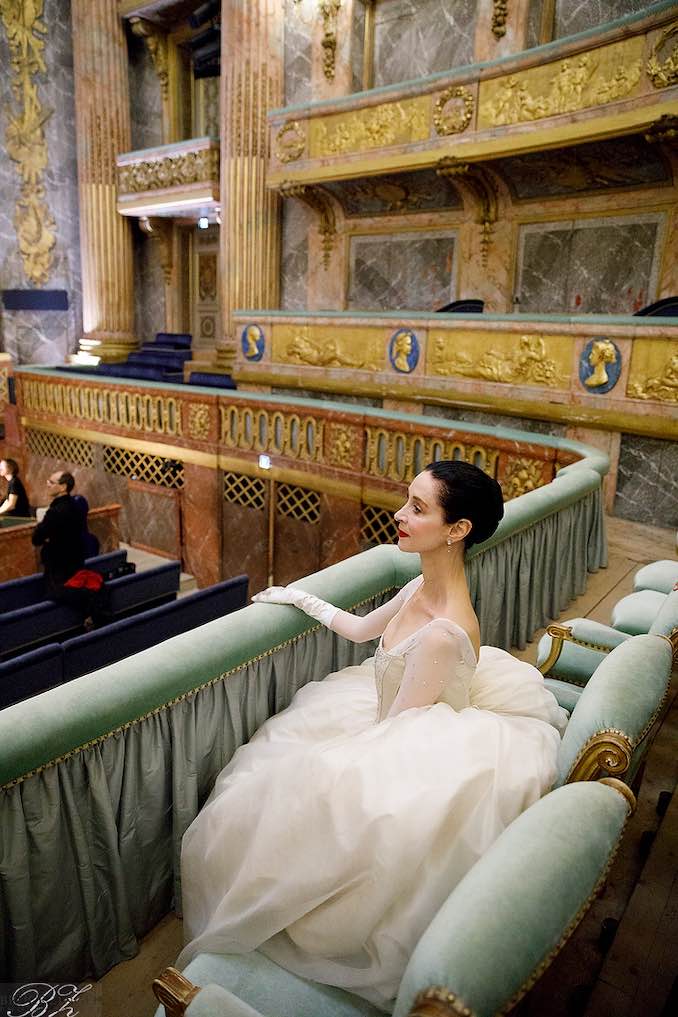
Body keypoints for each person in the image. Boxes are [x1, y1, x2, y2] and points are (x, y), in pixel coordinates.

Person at [178, 461, 568, 1010]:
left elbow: (394, 736)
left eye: (417, 508)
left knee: (286, 798)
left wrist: (320, 763)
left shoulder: (442, 632)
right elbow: (361, 630)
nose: (400, 515)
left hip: (405, 747)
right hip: (390, 723)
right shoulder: (419, 586)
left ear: (457, 530)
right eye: (406, 502)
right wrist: (298, 598)